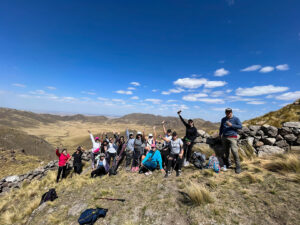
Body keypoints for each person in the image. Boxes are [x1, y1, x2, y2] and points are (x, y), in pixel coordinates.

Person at [219, 108, 243, 174]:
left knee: (234, 152)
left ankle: (238, 167)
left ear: (231, 112)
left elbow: (240, 126)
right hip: (224, 137)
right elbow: (221, 127)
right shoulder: (223, 119)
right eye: (227, 112)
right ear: (225, 113)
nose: (228, 113)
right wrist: (220, 134)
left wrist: (231, 125)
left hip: (232, 137)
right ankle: (227, 164)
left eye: (229, 112)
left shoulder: (236, 119)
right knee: (226, 152)